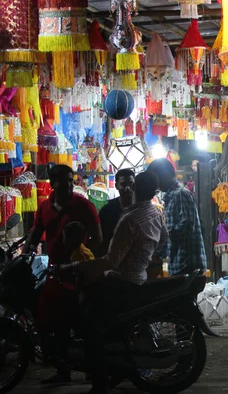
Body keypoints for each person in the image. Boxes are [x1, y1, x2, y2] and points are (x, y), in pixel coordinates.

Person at [60, 171, 168, 394]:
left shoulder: (129, 219)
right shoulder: (154, 212)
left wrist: (74, 267)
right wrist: (144, 255)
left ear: (136, 188)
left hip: (122, 283)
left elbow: (111, 260)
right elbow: (164, 238)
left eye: (132, 184)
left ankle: (99, 382)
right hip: (139, 278)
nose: (128, 188)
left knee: (89, 324)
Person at [23, 164, 102, 386]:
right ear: (51, 183)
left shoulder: (83, 205)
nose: (68, 184)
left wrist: (82, 259)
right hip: (56, 273)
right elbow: (36, 233)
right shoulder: (45, 208)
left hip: (78, 274)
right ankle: (63, 370)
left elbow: (97, 237)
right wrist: (26, 252)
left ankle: (92, 369)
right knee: (55, 324)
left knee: (81, 322)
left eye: (71, 180)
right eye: (63, 180)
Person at [148, 158, 207, 275]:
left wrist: (162, 235)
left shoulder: (180, 194)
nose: (156, 184)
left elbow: (185, 227)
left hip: (187, 265)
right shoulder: (170, 197)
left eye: (156, 178)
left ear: (165, 174)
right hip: (178, 264)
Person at [96, 169, 135, 257]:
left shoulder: (141, 208)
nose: (128, 188)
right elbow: (102, 240)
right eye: (123, 184)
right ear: (116, 186)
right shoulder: (107, 210)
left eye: (131, 184)